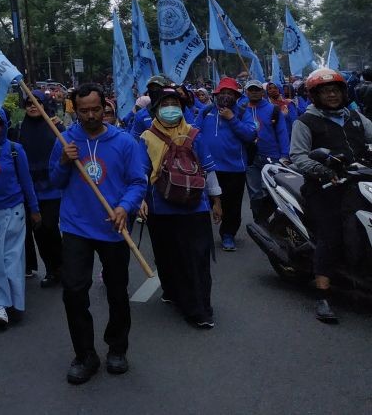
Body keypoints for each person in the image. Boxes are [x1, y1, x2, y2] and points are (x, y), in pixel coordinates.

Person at [48, 83, 149, 385]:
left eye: (95, 109)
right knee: (74, 292)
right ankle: (85, 354)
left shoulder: (125, 142)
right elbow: (56, 181)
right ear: (74, 110)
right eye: (83, 111)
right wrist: (65, 162)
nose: (91, 115)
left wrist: (125, 207)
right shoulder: (64, 140)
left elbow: (137, 182)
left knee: (118, 292)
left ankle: (117, 348)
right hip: (77, 227)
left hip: (113, 227)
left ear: (104, 107)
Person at [289, 67, 372, 323]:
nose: (332, 95)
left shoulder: (356, 117)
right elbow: (298, 156)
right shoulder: (305, 121)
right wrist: (322, 170)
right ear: (315, 96)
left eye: (335, 90)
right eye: (326, 91)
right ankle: (323, 295)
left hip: (358, 183)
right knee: (331, 234)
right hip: (325, 188)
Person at [140, 87, 222, 328]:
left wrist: (217, 201)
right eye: (164, 104)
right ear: (155, 109)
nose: (170, 108)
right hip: (160, 210)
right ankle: (174, 293)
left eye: (175, 103)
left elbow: (209, 170)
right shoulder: (146, 138)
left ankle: (199, 310)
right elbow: (140, 174)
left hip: (195, 209)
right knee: (168, 257)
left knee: (196, 260)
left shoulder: (194, 135)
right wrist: (140, 200)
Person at [0, 108, 40, 327]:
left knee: (12, 258)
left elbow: (26, 181)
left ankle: (13, 302)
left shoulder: (14, 150)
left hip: (14, 210)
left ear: (5, 125)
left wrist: (35, 208)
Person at [195, 77, 256, 251]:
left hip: (234, 169)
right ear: (217, 94)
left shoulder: (243, 113)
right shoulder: (206, 111)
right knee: (201, 203)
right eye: (223, 93)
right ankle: (201, 236)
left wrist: (232, 119)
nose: (226, 96)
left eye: (230, 93)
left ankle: (228, 234)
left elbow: (250, 135)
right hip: (208, 168)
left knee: (232, 205)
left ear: (237, 96)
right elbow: (194, 134)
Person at [19, 90, 65, 287]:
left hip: (53, 188)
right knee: (38, 231)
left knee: (50, 228)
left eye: (37, 102)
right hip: (29, 189)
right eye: (28, 103)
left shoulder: (56, 126)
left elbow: (68, 148)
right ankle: (50, 270)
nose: (32, 106)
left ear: (45, 104)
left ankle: (61, 267)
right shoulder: (19, 129)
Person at [239, 79, 290, 220]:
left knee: (272, 191)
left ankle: (275, 221)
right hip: (250, 158)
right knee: (255, 193)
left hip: (272, 157)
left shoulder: (273, 109)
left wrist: (284, 155)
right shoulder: (240, 110)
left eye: (257, 89)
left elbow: (282, 133)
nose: (254, 92)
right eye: (251, 90)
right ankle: (259, 221)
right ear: (246, 92)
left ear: (262, 91)